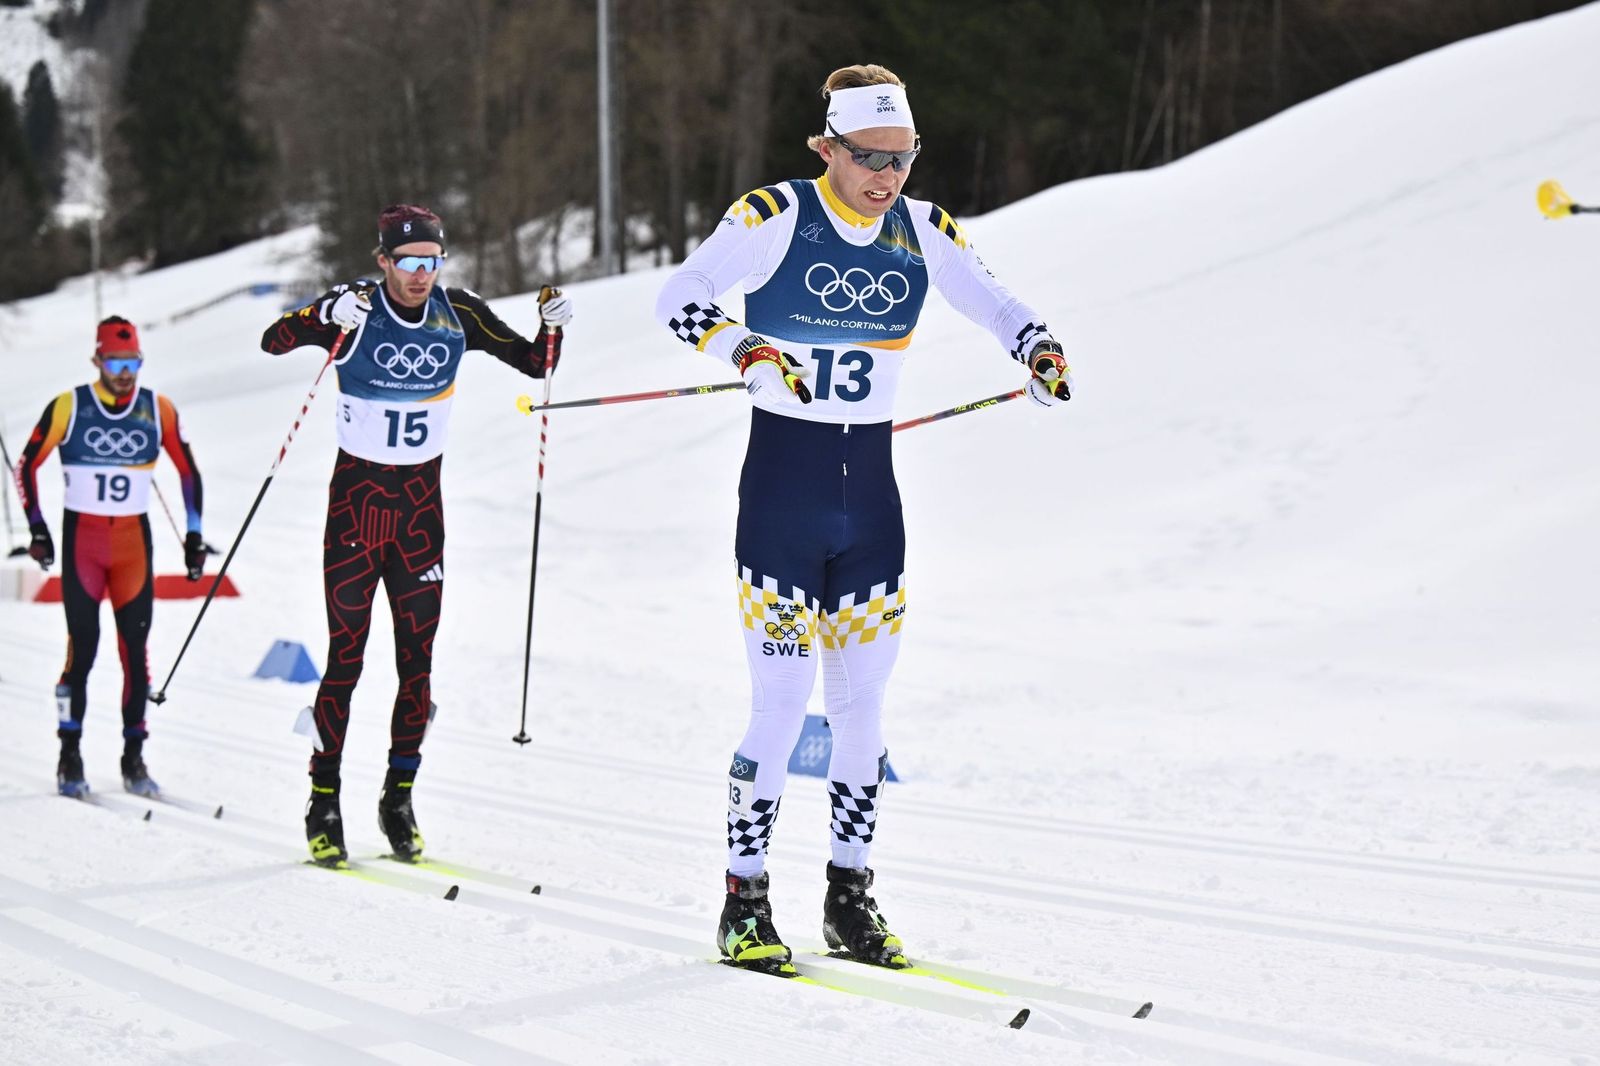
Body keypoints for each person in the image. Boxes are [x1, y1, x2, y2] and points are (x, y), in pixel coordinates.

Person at [655, 64, 1072, 976]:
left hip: (870, 507)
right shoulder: (771, 217)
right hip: (781, 497)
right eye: (870, 157)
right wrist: (744, 346)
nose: (888, 175)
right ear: (828, 149)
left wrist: (1036, 346)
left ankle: (849, 895)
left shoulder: (923, 229)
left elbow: (995, 303)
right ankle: (744, 900)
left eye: (903, 156)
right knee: (778, 707)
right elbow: (677, 298)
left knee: (862, 713)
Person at [260, 203, 573, 868]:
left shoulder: (458, 312)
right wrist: (320, 317)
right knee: (344, 660)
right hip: (355, 510)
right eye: (408, 262)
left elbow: (535, 363)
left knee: (417, 667)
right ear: (383, 262)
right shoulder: (355, 307)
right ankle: (323, 798)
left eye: (431, 261)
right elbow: (274, 341)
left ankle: (398, 797)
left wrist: (552, 329)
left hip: (419, 517)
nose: (421, 275)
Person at [14, 316, 207, 798]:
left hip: (132, 549)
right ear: (97, 360)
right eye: (116, 362)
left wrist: (194, 535)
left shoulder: (157, 408)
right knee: (82, 652)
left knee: (135, 658)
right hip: (84, 543)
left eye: (133, 362)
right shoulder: (69, 406)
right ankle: (69, 752)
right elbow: (26, 464)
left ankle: (134, 756)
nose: (125, 372)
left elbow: (188, 471)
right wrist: (36, 527)